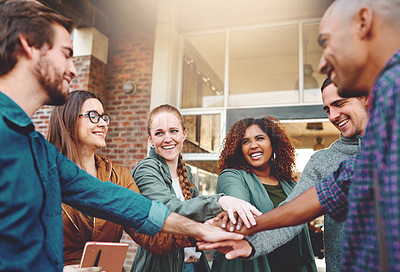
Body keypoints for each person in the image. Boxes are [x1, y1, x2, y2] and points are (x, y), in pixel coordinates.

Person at [0, 1, 244, 271]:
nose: (73, 69)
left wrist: (201, 230)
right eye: (67, 53)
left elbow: (117, 201)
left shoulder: (40, 151)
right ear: (28, 45)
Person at [199, 1, 400, 271]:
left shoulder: (392, 86)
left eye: (327, 42)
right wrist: (252, 237)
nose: (321, 63)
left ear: (363, 23)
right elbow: (333, 190)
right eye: (327, 109)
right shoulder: (348, 157)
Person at [47, 90, 197, 266]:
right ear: (68, 120)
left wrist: (200, 232)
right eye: (93, 116)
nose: (102, 123)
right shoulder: (43, 174)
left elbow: (150, 236)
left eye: (104, 117)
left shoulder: (119, 176)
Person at [235, 78, 369, 272]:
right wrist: (252, 244)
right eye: (327, 109)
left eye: (339, 104)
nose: (333, 116)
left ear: (366, 98)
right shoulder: (322, 161)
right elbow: (292, 214)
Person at [130, 104, 261, 272]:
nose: (168, 138)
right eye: (159, 133)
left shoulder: (186, 172)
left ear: (184, 134)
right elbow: (168, 211)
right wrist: (220, 201)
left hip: (192, 264)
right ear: (150, 139)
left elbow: (193, 219)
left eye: (173, 131)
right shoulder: (146, 170)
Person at [212, 116, 317, 272]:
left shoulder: (289, 184)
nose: (253, 145)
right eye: (245, 141)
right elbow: (239, 205)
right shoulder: (232, 176)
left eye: (259, 138)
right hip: (254, 265)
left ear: (273, 144)